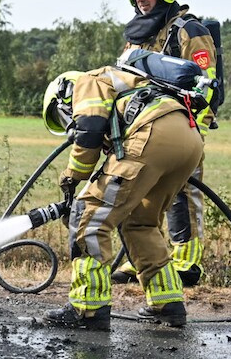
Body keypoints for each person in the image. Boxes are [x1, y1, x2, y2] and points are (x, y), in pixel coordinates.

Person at [40, 51, 206, 329]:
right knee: (140, 221)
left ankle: (87, 308)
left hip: (153, 133)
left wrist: (73, 176)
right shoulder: (129, 81)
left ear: (62, 95)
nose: (67, 122)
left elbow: (88, 130)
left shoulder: (87, 81)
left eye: (62, 116)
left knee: (89, 216)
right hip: (189, 138)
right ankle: (168, 303)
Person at [109, 0, 220, 288]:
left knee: (182, 194)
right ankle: (142, 259)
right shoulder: (138, 35)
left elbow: (207, 84)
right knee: (139, 191)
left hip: (180, 128)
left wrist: (191, 125)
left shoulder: (189, 31)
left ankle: (187, 262)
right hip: (141, 129)